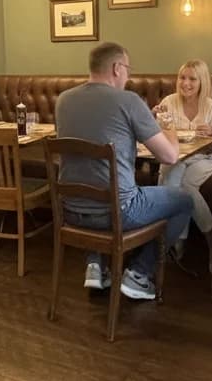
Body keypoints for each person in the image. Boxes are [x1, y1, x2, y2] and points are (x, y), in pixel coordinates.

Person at [55, 42, 192, 300]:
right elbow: (170, 156)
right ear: (117, 68)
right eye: (128, 69)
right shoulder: (128, 101)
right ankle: (138, 274)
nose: (128, 76)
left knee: (98, 186)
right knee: (184, 200)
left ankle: (95, 265)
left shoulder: (64, 100)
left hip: (70, 211)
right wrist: (169, 128)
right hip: (117, 212)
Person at [153, 59, 212, 272]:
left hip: (204, 159)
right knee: (172, 179)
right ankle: (177, 241)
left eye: (192, 79)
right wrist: (154, 119)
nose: (186, 83)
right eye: (182, 78)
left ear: (202, 81)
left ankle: (208, 242)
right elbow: (158, 137)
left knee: (185, 185)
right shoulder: (169, 101)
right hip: (175, 158)